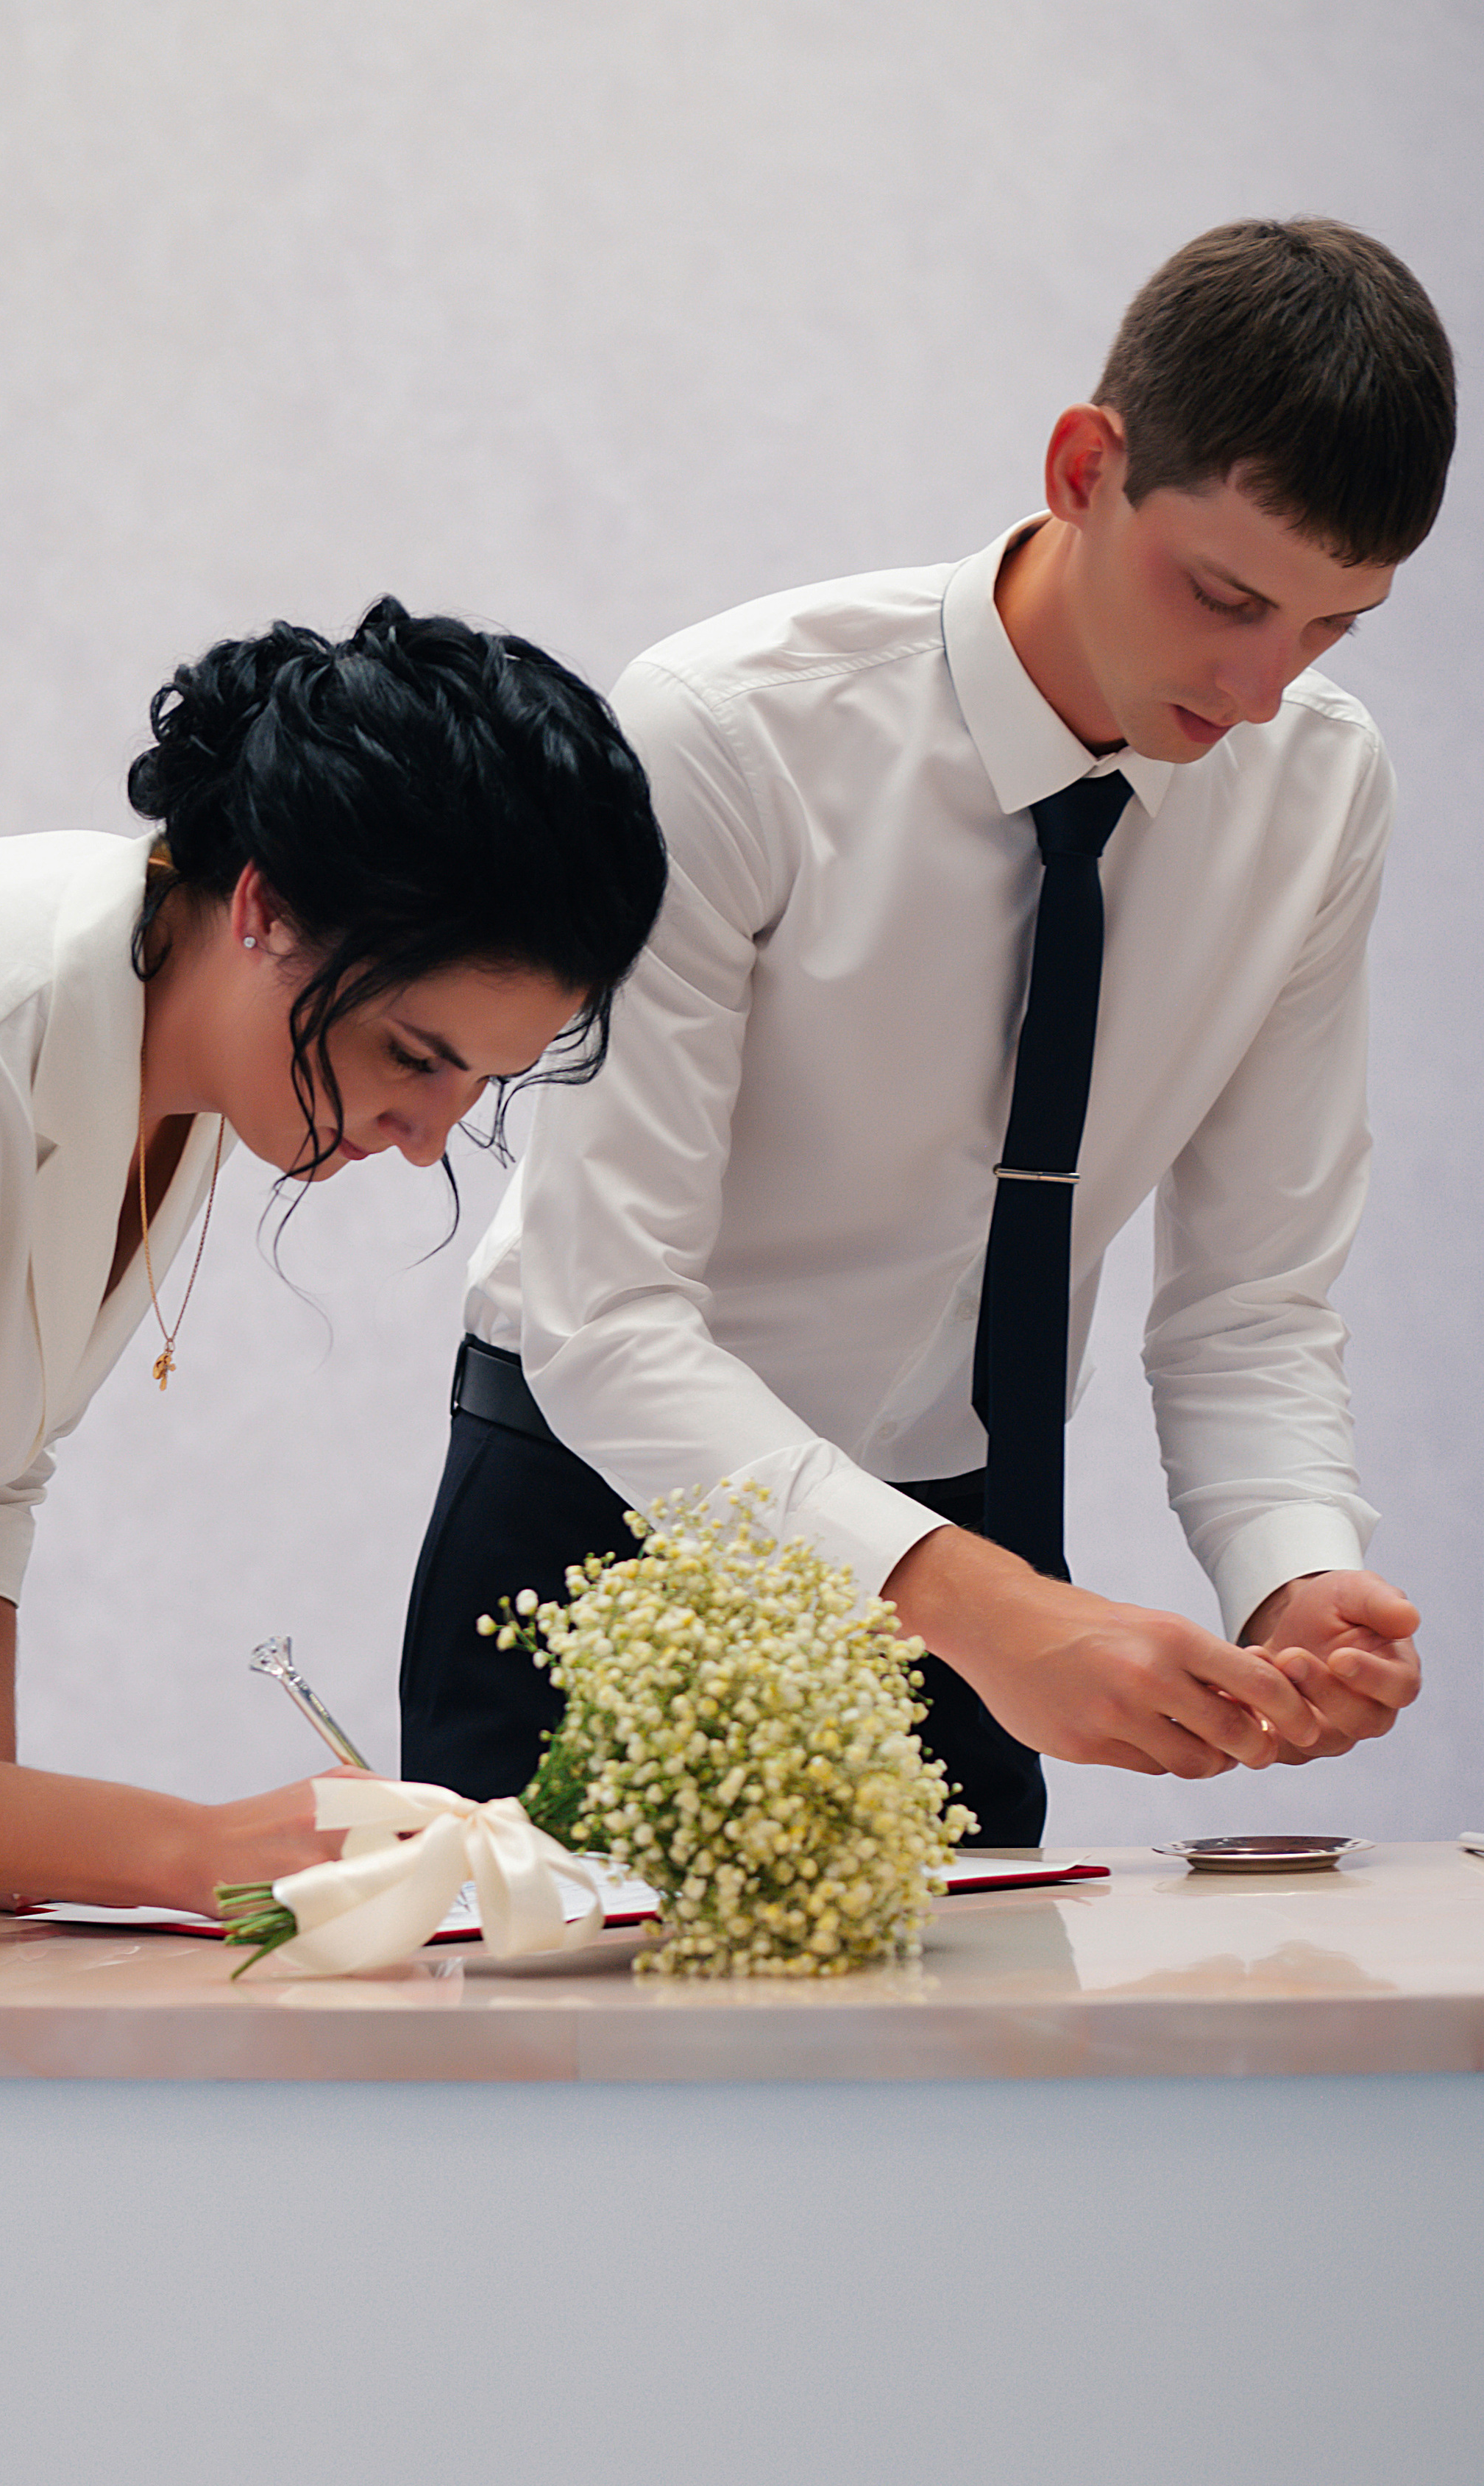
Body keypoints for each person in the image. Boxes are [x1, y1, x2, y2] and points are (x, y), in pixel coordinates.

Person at [400, 217, 1452, 1844]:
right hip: (604, 1517)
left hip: (973, 1553)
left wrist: (1292, 1567)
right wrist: (969, 1605)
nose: (1258, 689)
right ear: (1082, 464)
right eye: (1225, 597)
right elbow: (605, 1319)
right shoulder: (732, 731)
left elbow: (1246, 1305)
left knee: (970, 2099)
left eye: (1326, 628)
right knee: (571, 2102)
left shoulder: (1318, 787)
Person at [0, 598, 667, 1944]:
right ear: (266, 909)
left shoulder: (182, 1041)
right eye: (413, 1054)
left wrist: (4, 1849)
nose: (427, 1139)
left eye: (482, 1084)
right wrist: (193, 1848)